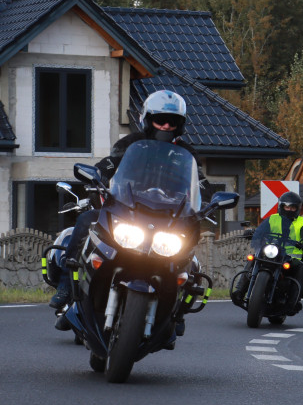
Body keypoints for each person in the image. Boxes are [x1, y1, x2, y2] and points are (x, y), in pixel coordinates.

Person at [49, 90, 208, 312]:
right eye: (160, 120)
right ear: (147, 119)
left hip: (167, 220)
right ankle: (66, 286)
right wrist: (99, 176)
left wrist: (207, 200)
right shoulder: (131, 143)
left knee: (190, 252)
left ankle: (176, 311)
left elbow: (199, 184)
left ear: (179, 125)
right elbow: (109, 164)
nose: (165, 126)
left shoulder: (186, 154)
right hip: (127, 212)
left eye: (172, 122)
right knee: (86, 221)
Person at [233, 191, 303, 304]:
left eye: (292, 208)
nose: (289, 210)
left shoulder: (301, 222)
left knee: (301, 268)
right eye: (287, 207)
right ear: (281, 206)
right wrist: (252, 232)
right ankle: (239, 291)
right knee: (254, 258)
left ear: (297, 209)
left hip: (290, 257)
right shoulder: (273, 218)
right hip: (272, 252)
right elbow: (261, 230)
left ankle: (294, 301)